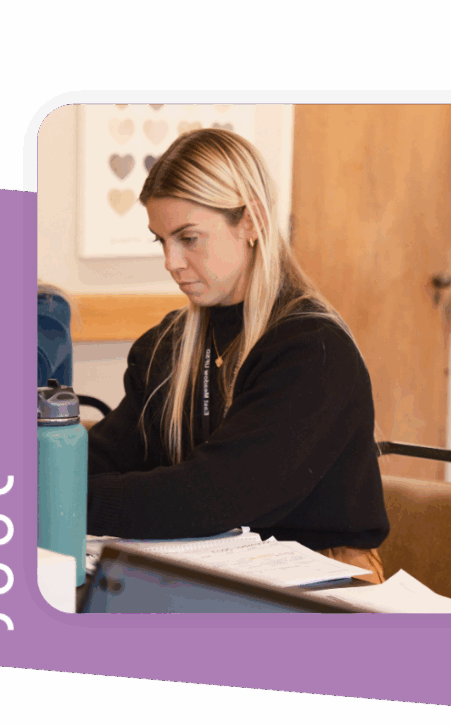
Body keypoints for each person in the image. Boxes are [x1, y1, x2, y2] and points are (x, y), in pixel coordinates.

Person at [85, 128, 389, 583]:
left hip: (322, 577)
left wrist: (64, 501)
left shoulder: (312, 349)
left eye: (189, 238)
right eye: (160, 241)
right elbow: (107, 456)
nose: (171, 262)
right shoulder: (169, 344)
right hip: (217, 566)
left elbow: (213, 497)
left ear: (251, 222)